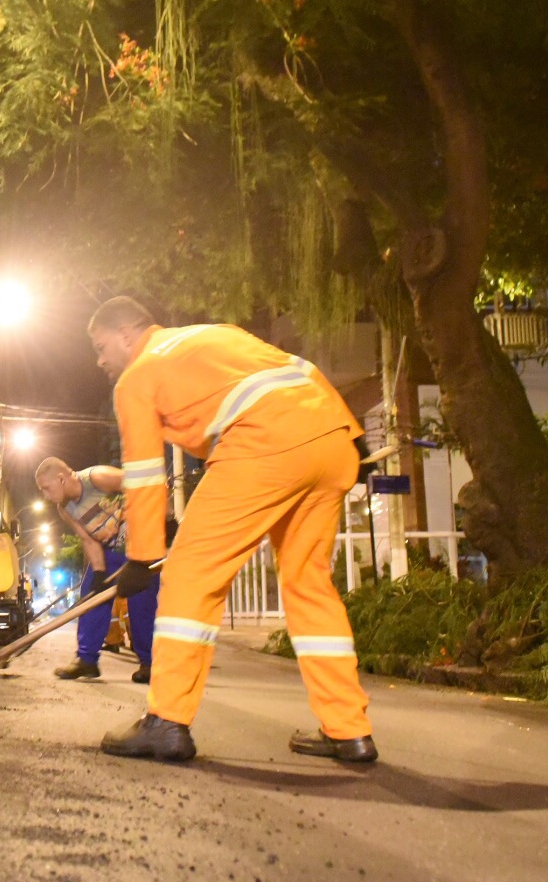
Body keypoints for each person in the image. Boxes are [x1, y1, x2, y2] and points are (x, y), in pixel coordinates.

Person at [87, 296, 377, 764]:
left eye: (101, 348)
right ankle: (348, 729)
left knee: (189, 576)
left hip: (263, 444)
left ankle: (167, 721)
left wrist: (143, 555)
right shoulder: (215, 334)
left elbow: (143, 474)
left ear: (126, 334)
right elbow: (297, 367)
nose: (100, 361)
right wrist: (352, 435)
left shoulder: (137, 376)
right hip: (331, 439)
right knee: (309, 585)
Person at [35, 458, 157, 684]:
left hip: (140, 546)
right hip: (109, 551)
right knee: (91, 597)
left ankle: (150, 663)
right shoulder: (65, 509)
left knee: (142, 602)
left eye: (46, 488)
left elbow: (144, 487)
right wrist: (99, 573)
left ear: (61, 479)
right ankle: (87, 660)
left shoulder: (97, 477)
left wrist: (165, 518)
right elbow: (88, 540)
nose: (45, 495)